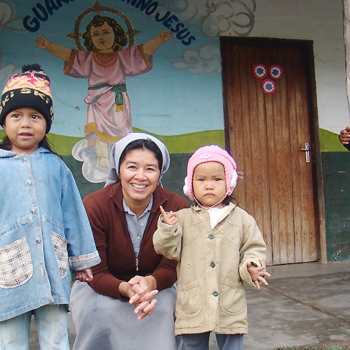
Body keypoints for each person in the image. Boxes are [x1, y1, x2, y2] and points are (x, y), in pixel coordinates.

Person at [0, 64, 101, 349]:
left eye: (35, 117)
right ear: (4, 121)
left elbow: (73, 213)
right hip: (7, 270)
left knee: (56, 337)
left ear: (47, 123)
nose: (26, 124)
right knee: (9, 340)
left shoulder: (56, 167)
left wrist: (81, 261)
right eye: (16, 116)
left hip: (52, 269)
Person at [70, 132, 189, 350]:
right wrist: (127, 289)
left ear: (159, 172)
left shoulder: (177, 207)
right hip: (102, 285)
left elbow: (171, 266)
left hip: (156, 288)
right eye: (132, 167)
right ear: (119, 169)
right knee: (97, 309)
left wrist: (150, 283)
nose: (140, 177)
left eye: (150, 169)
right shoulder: (95, 205)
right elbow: (95, 271)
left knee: (165, 307)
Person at [153, 145, 270, 350]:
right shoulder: (182, 219)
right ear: (190, 185)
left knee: (232, 343)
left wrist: (251, 265)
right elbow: (167, 250)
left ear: (230, 183)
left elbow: (253, 247)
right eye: (201, 179)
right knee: (192, 344)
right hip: (193, 301)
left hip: (229, 299)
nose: (209, 186)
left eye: (217, 179)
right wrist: (168, 229)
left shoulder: (242, 219)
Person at [35, 15, 174, 168]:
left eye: (106, 32)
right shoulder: (89, 58)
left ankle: (122, 158)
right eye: (96, 34)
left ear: (116, 34)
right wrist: (48, 45)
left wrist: (160, 39)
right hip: (96, 101)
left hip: (117, 101)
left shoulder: (122, 56)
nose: (101, 37)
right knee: (98, 131)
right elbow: (69, 55)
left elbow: (142, 53)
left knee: (121, 129)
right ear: (89, 38)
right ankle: (103, 158)